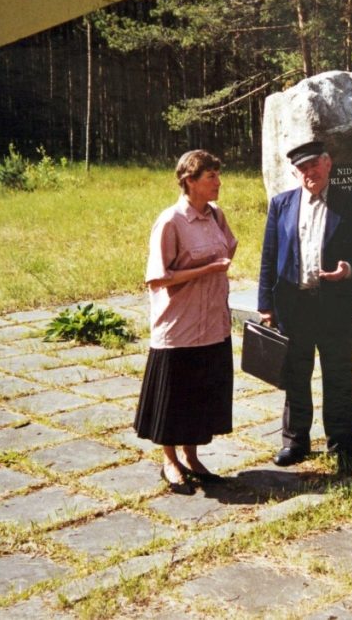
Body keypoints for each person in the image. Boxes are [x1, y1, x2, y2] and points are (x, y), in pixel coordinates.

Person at [257, 140, 352, 473]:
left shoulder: (349, 203)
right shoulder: (282, 204)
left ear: (327, 164)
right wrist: (265, 304)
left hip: (334, 304)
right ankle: (294, 442)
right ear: (295, 172)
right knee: (296, 374)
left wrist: (350, 269)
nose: (309, 173)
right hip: (292, 305)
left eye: (314, 165)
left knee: (338, 374)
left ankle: (342, 445)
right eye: (302, 168)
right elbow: (269, 257)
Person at [134, 150, 237, 495]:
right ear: (189, 181)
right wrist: (207, 270)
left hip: (211, 323)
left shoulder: (216, 215)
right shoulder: (170, 221)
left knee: (199, 396)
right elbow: (157, 279)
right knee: (174, 398)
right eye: (211, 177)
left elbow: (230, 247)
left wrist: (216, 268)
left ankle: (192, 458)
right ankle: (169, 461)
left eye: (218, 176)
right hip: (179, 326)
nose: (218, 183)